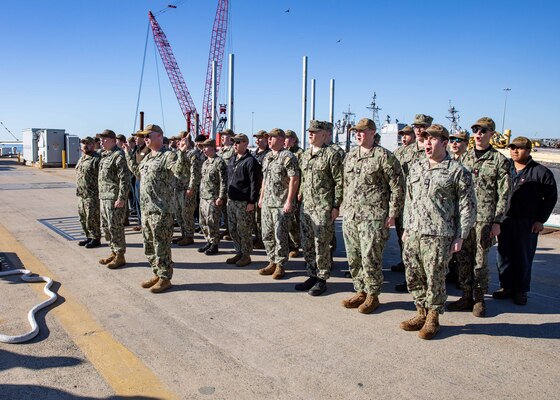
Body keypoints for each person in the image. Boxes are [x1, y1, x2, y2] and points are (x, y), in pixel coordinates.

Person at [400, 124, 476, 339]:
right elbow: (409, 200)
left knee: (434, 276)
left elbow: (467, 206)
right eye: (425, 139)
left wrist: (461, 234)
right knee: (413, 273)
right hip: (414, 231)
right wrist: (406, 227)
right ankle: (420, 312)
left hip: (439, 234)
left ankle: (433, 316)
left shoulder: (457, 171)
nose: (427, 143)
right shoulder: (416, 167)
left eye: (432, 139)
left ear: (444, 143)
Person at [447, 117, 512, 317]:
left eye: (483, 130)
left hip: (485, 219)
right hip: (464, 219)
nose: (478, 134)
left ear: (492, 134)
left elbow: (505, 194)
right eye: (475, 130)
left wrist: (497, 221)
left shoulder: (500, 161)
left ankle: (479, 298)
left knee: (480, 261)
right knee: (463, 258)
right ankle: (466, 295)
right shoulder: (463, 159)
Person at [341, 118, 404, 312]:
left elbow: (398, 186)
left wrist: (393, 213)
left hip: (374, 218)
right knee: (354, 257)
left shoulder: (384, 156)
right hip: (351, 216)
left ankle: (373, 295)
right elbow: (346, 184)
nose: (358, 134)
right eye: (356, 132)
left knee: (371, 258)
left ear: (372, 132)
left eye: (362, 131)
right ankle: (360, 290)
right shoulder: (351, 156)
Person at [124, 124, 190, 293]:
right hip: (146, 210)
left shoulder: (168, 155)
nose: (145, 138)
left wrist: (182, 153)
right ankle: (156, 272)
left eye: (148, 135)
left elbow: (180, 172)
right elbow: (138, 173)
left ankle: (165, 278)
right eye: (144, 136)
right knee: (149, 246)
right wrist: (128, 155)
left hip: (161, 211)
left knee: (161, 246)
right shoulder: (147, 157)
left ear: (159, 136)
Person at [494, 136, 557, 305]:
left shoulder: (541, 172)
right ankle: (506, 287)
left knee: (523, 257)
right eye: (512, 148)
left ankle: (521, 291)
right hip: (506, 220)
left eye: (519, 148)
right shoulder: (505, 169)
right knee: (504, 255)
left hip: (526, 222)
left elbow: (550, 198)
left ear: (528, 150)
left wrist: (540, 220)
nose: (515, 151)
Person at [295, 121, 343, 296]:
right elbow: (304, 178)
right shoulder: (305, 155)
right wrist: (299, 192)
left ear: (324, 135)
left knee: (321, 244)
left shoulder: (331, 155)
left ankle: (322, 278)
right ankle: (311, 274)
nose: (310, 134)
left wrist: (336, 206)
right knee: (307, 243)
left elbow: (339, 182)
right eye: (309, 132)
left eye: (315, 132)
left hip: (323, 207)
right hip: (307, 206)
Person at [393, 114, 433, 290]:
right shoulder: (403, 152)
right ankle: (409, 277)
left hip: (428, 207)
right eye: (416, 126)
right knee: (406, 242)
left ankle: (425, 282)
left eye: (423, 126)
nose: (419, 129)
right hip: (405, 205)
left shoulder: (434, 151)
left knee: (425, 247)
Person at [258, 128, 300, 279]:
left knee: (280, 236)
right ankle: (272, 261)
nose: (269, 140)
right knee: (266, 235)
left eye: (273, 138)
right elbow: (265, 179)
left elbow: (294, 179)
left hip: (281, 204)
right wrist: (261, 197)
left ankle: (280, 265)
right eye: (268, 138)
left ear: (282, 140)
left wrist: (289, 201)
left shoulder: (288, 157)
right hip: (268, 202)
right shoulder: (268, 157)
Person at [226, 134, 262, 267]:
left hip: (244, 202)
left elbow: (255, 183)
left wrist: (252, 202)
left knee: (244, 230)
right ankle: (239, 251)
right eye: (234, 143)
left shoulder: (250, 161)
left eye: (238, 142)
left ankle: (246, 255)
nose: (235, 145)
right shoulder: (232, 159)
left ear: (246, 143)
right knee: (233, 229)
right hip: (232, 200)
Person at [97, 129, 130, 269]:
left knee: (115, 227)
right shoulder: (105, 155)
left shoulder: (119, 156)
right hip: (104, 197)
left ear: (112, 140)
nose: (101, 142)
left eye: (104, 139)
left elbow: (124, 179)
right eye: (101, 139)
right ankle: (113, 251)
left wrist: (121, 197)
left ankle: (120, 255)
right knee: (106, 227)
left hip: (114, 198)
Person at [391, 125, 416, 273]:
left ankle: (412, 268)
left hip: (415, 203)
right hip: (402, 201)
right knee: (402, 235)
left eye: (407, 134)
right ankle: (404, 260)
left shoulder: (424, 152)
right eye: (402, 135)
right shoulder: (398, 153)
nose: (404, 137)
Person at [197, 139, 227, 255]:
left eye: (206, 147)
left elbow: (223, 181)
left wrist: (221, 197)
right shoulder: (205, 163)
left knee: (212, 222)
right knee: (202, 221)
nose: (203, 149)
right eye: (203, 147)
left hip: (213, 198)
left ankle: (214, 244)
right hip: (203, 197)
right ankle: (208, 241)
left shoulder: (219, 162)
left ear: (213, 148)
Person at [172, 132, 201, 246]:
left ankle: (189, 236)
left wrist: (191, 187)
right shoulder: (178, 153)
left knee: (187, 213)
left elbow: (195, 173)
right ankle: (184, 234)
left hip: (186, 188)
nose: (178, 142)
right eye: (177, 140)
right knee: (179, 213)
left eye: (181, 139)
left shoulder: (192, 154)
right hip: (178, 187)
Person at [75, 136, 101, 248]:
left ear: (93, 145)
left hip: (92, 194)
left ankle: (95, 238)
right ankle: (88, 236)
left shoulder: (97, 159)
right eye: (83, 143)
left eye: (88, 143)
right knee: (83, 217)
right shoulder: (82, 158)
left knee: (92, 217)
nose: (85, 145)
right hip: (81, 194)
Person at [284, 129, 304, 257]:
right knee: (286, 219)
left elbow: (302, 174)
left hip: (295, 190)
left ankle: (295, 246)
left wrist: (300, 190)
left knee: (294, 221)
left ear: (293, 140)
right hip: (284, 190)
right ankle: (289, 244)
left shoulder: (299, 153)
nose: (284, 140)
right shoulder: (284, 153)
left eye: (286, 138)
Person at [252, 130, 271, 249]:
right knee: (254, 216)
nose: (257, 140)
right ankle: (257, 236)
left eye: (260, 138)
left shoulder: (268, 154)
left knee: (261, 217)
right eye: (256, 138)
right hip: (254, 188)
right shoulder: (254, 154)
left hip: (263, 188)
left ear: (266, 139)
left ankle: (262, 239)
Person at [218, 129, 236, 240]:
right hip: (220, 184)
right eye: (222, 136)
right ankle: (227, 229)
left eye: (226, 135)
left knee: (230, 209)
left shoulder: (233, 150)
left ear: (231, 138)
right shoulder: (220, 151)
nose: (223, 137)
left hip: (229, 183)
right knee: (223, 209)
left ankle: (232, 231)